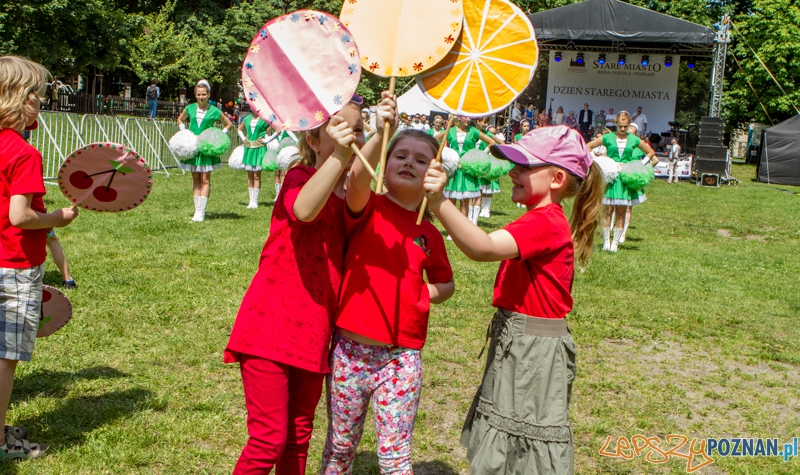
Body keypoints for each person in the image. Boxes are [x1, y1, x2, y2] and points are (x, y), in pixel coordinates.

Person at [224, 91, 397, 475]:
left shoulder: (352, 194)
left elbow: (356, 178)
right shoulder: (299, 177)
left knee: (298, 438)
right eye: (338, 128)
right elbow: (304, 210)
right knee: (269, 438)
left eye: (356, 128)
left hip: (314, 334)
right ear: (313, 140)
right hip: (268, 328)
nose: (350, 135)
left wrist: (384, 131)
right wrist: (339, 156)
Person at [422, 125, 605, 475]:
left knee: (523, 444)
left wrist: (439, 202)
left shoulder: (545, 222)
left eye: (523, 167)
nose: (512, 173)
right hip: (521, 343)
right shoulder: (540, 218)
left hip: (533, 351)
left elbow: (483, 247)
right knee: (510, 436)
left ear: (556, 178)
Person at [322, 129, 454, 474]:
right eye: (401, 155)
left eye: (421, 160)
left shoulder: (430, 233)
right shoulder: (367, 206)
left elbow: (446, 283)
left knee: (395, 455)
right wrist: (382, 132)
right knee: (339, 445)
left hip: (401, 358)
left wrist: (420, 294)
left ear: (434, 174)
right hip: (349, 352)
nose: (409, 162)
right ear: (382, 163)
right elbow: (355, 176)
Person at [1, 55, 80, 460]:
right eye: (39, 96)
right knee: (6, 353)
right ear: (21, 99)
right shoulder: (23, 153)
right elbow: (21, 216)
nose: (42, 103)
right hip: (13, 265)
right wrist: (58, 218)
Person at [587, 111, 656, 253]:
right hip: (610, 176)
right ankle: (606, 242)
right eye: (620, 126)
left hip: (625, 177)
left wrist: (640, 165)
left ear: (628, 125)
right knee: (607, 211)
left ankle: (615, 243)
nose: (623, 129)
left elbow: (650, 153)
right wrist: (597, 161)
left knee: (621, 212)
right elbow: (588, 146)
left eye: (625, 126)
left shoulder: (634, 139)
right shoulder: (608, 137)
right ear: (616, 124)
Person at [176, 80, 233, 222]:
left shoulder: (214, 110)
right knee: (196, 179)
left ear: (208, 95)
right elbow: (180, 119)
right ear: (195, 95)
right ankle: (197, 210)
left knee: (205, 179)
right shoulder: (190, 108)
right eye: (198, 94)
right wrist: (185, 133)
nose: (201, 97)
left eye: (204, 94)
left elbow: (229, 123)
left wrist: (219, 136)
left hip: (206, 148)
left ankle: (202, 211)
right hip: (193, 147)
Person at [436, 117, 497, 225]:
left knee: (465, 201)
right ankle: (452, 228)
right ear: (459, 117)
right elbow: (434, 139)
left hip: (467, 169)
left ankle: (462, 227)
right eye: (465, 116)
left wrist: (480, 155)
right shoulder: (450, 131)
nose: (468, 119)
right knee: (451, 201)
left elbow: (492, 142)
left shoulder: (473, 131)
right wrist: (443, 154)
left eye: (469, 117)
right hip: (453, 168)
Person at [237, 112, 279, 209]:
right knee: (250, 175)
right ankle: (250, 201)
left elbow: (278, 130)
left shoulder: (265, 118)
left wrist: (266, 140)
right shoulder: (247, 118)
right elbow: (239, 129)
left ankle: (255, 201)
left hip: (259, 149)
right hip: (249, 149)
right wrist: (243, 138)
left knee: (256, 175)